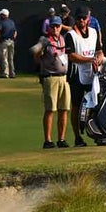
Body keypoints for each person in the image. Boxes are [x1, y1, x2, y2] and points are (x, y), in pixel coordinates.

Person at [65, 7, 103, 147]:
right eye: (79, 18)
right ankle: (77, 137)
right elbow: (71, 56)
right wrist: (89, 59)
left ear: (88, 18)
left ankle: (98, 133)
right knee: (76, 106)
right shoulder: (70, 35)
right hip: (76, 74)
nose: (81, 20)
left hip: (93, 74)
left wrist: (98, 58)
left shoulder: (93, 32)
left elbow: (99, 51)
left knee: (96, 104)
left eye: (84, 18)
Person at [32, 15, 70, 149]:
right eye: (53, 26)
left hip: (64, 78)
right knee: (50, 109)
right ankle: (47, 140)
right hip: (50, 77)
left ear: (61, 27)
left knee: (64, 109)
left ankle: (62, 138)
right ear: (49, 27)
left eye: (57, 26)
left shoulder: (63, 39)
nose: (55, 28)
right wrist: (40, 52)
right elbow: (35, 54)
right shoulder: (44, 39)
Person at [0, 8, 16, 79]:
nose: (0, 16)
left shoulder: (2, 22)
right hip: (11, 41)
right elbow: (15, 32)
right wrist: (13, 38)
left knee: (4, 57)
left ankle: (5, 73)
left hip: (4, 41)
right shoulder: (12, 22)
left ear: (4, 15)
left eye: (1, 14)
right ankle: (12, 73)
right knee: (11, 58)